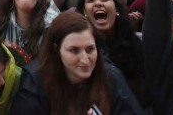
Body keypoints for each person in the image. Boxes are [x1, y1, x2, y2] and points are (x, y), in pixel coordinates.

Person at [11, 11, 143, 114]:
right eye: (74, 50)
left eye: (90, 49)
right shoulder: (35, 81)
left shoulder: (110, 76)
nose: (85, 60)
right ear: (57, 50)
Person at [75, 0, 148, 106]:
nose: (98, 3)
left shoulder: (137, 45)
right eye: (90, 0)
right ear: (84, 12)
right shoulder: (78, 51)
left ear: (116, 9)